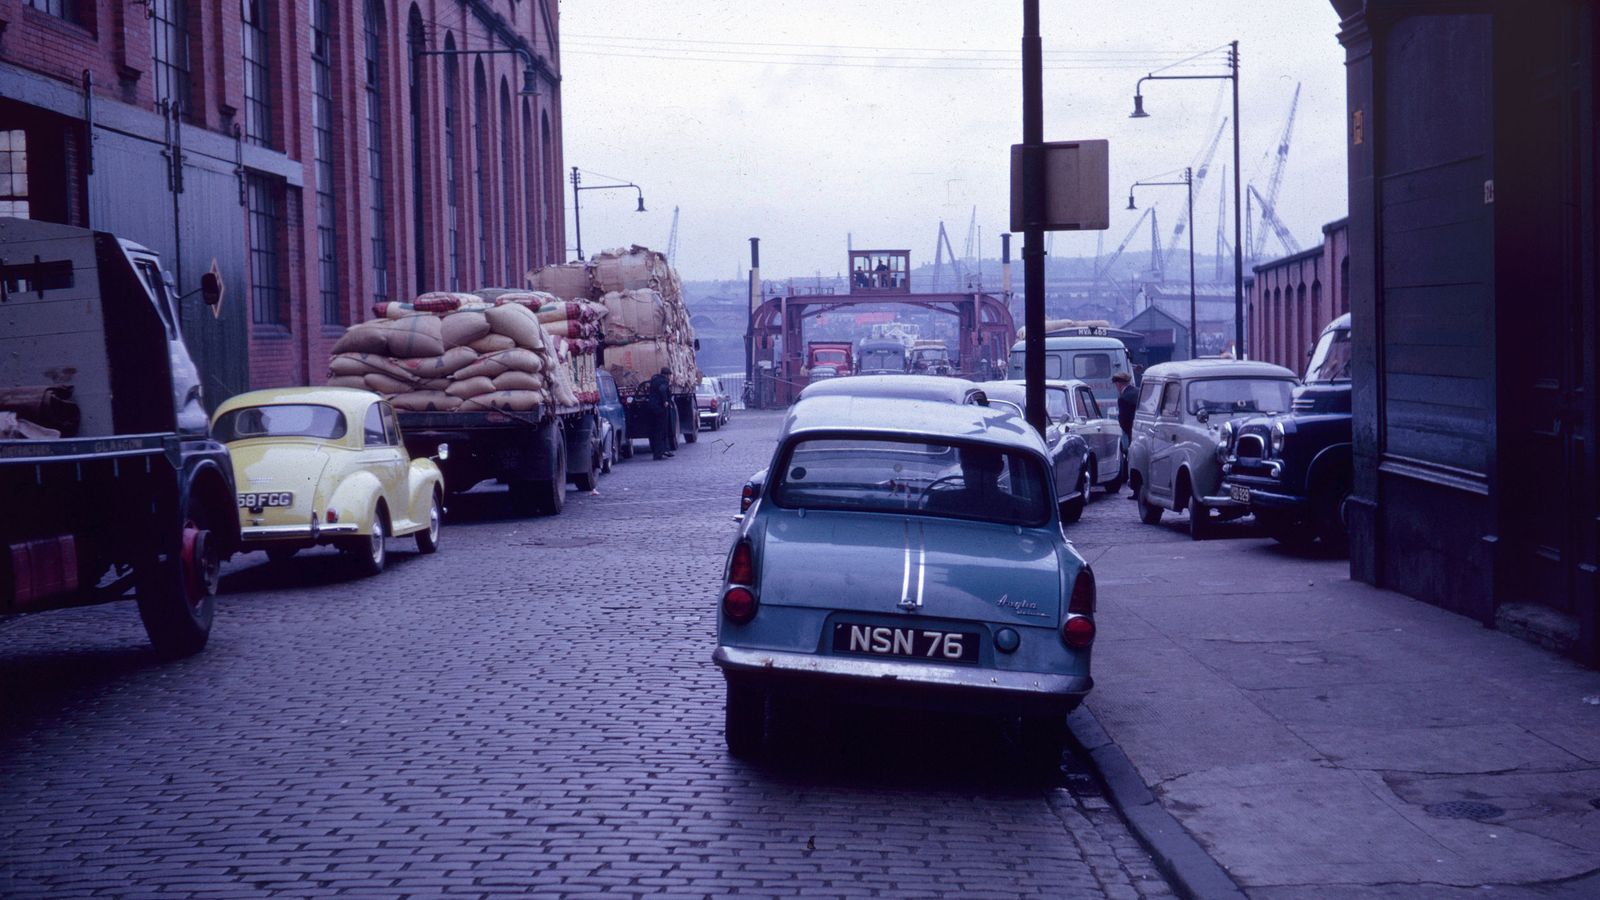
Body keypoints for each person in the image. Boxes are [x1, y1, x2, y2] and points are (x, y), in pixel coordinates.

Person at [1113, 371, 1137, 496]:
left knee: (1133, 459)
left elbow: (1124, 419)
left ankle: (1136, 491)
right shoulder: (1138, 392)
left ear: (1118, 384)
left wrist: (1128, 432)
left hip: (1133, 432)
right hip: (1142, 430)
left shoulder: (1123, 398)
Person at [647, 367, 675, 460]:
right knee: (662, 430)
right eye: (670, 375)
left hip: (651, 407)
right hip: (660, 408)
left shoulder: (654, 379)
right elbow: (662, 390)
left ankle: (658, 451)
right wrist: (665, 401)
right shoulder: (664, 381)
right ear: (667, 375)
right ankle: (660, 452)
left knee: (655, 430)